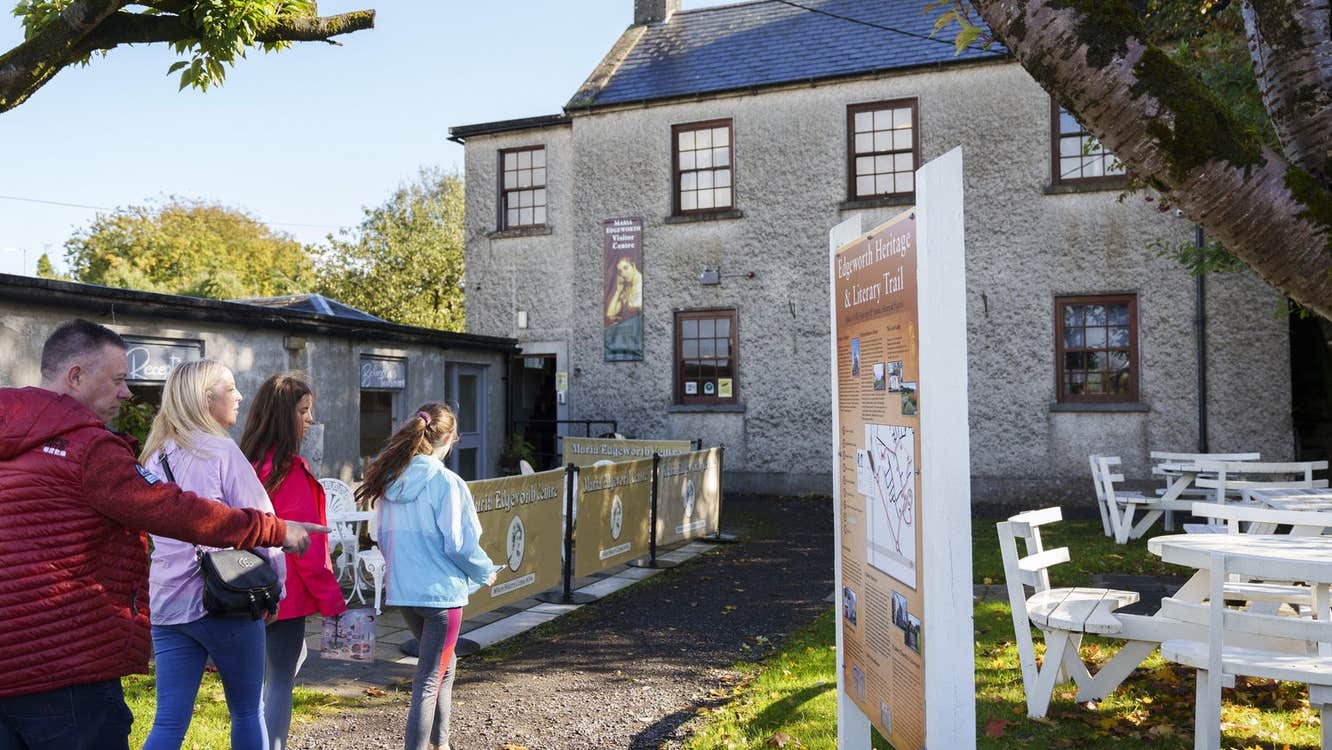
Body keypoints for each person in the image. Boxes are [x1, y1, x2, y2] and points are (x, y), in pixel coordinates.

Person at [0, 319, 323, 750]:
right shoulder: (92, 450)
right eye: (118, 379)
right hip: (73, 664)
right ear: (75, 375)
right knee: (246, 709)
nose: (127, 392)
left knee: (168, 720)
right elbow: (174, 510)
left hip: (139, 613)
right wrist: (276, 536)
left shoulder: (147, 451)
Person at [137, 359, 287, 750]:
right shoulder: (221, 452)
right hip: (228, 599)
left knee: (168, 721)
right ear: (207, 399)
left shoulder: (153, 457)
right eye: (231, 389)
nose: (239, 396)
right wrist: (275, 588)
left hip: (168, 603)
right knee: (246, 710)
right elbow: (261, 524)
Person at [354, 402, 500, 750]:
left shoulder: (389, 481)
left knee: (442, 671)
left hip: (405, 594)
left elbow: (381, 536)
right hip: (442, 597)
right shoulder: (448, 483)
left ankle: (441, 744)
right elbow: (460, 545)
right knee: (430, 678)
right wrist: (484, 571)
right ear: (448, 438)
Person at [239, 373, 347, 750]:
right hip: (284, 597)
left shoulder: (245, 464)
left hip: (244, 589)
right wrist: (333, 602)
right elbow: (308, 549)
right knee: (281, 679)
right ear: (284, 416)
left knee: (263, 678)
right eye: (303, 411)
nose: (310, 420)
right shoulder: (291, 473)